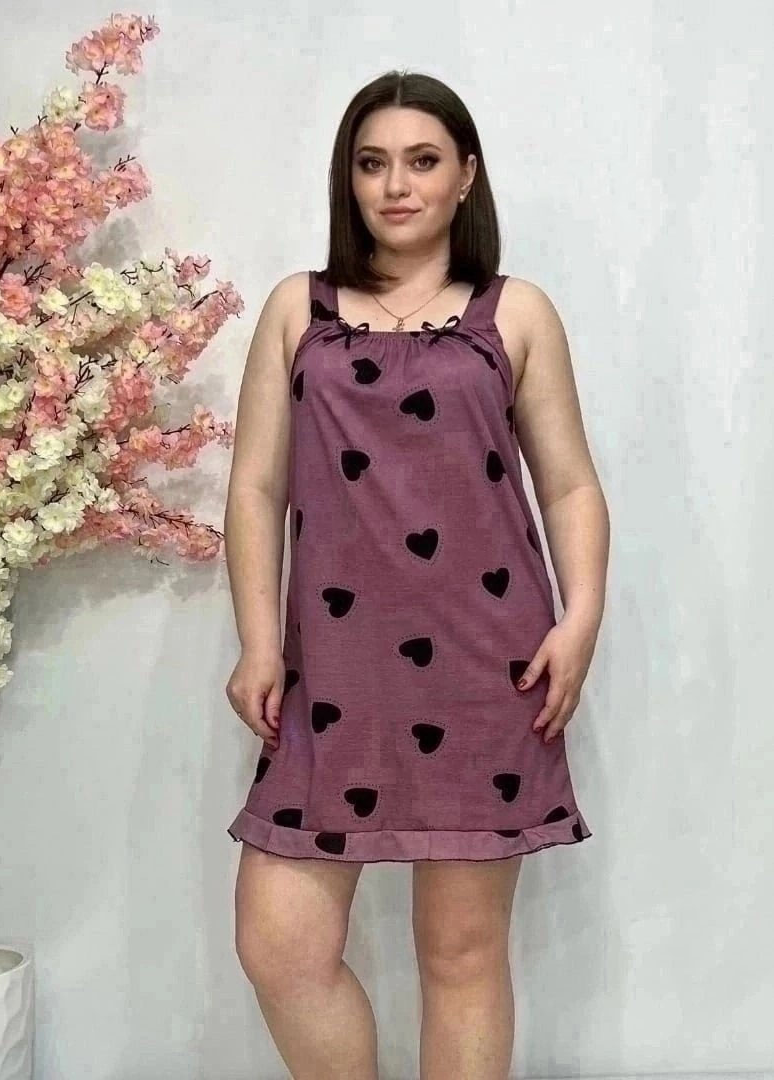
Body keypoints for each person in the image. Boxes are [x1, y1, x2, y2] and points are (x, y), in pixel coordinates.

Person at [223, 69, 609, 1080]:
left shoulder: (516, 313)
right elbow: (256, 488)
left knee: (462, 955)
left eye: (423, 160)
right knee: (281, 946)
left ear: (465, 175)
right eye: (372, 163)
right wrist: (259, 643)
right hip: (330, 672)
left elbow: (570, 484)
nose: (396, 185)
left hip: (487, 665)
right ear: (347, 179)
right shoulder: (296, 309)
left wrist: (581, 620)